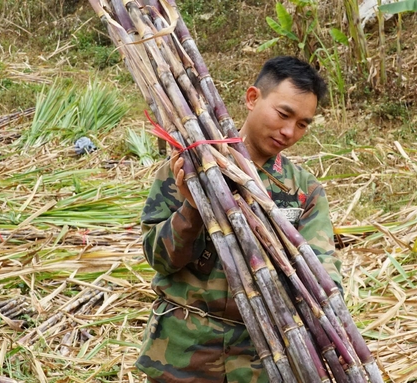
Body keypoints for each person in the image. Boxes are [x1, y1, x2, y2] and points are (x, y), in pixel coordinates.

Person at [135, 56, 343, 383]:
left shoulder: (304, 191)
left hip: (263, 360)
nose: (289, 131)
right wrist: (192, 209)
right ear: (252, 98)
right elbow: (158, 259)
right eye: (284, 114)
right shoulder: (189, 164)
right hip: (180, 355)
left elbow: (323, 271)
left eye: (303, 123)